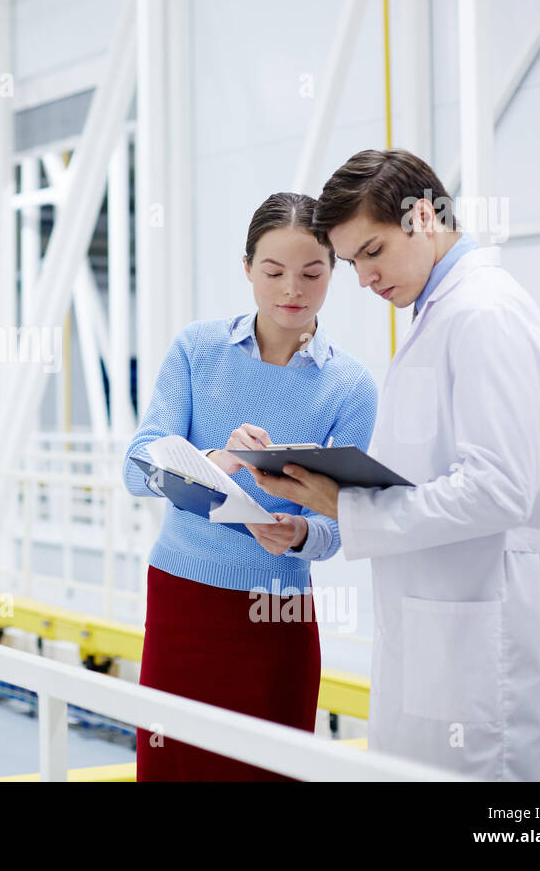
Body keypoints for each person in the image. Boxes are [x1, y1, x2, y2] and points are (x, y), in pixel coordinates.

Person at [252, 149, 540, 781]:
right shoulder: (441, 312)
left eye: (373, 252)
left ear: (422, 217)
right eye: (351, 262)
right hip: (436, 631)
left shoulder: (483, 314)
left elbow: (500, 489)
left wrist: (350, 506)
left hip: (477, 641)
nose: (364, 279)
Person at [122, 191, 378, 781]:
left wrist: (296, 533)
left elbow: (337, 527)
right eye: (274, 272)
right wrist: (210, 460)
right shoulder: (196, 349)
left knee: (271, 769)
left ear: (333, 272)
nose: (293, 289)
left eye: (313, 272)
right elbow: (136, 470)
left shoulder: (350, 387)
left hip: (279, 613)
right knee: (174, 767)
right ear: (246, 269)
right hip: (184, 598)